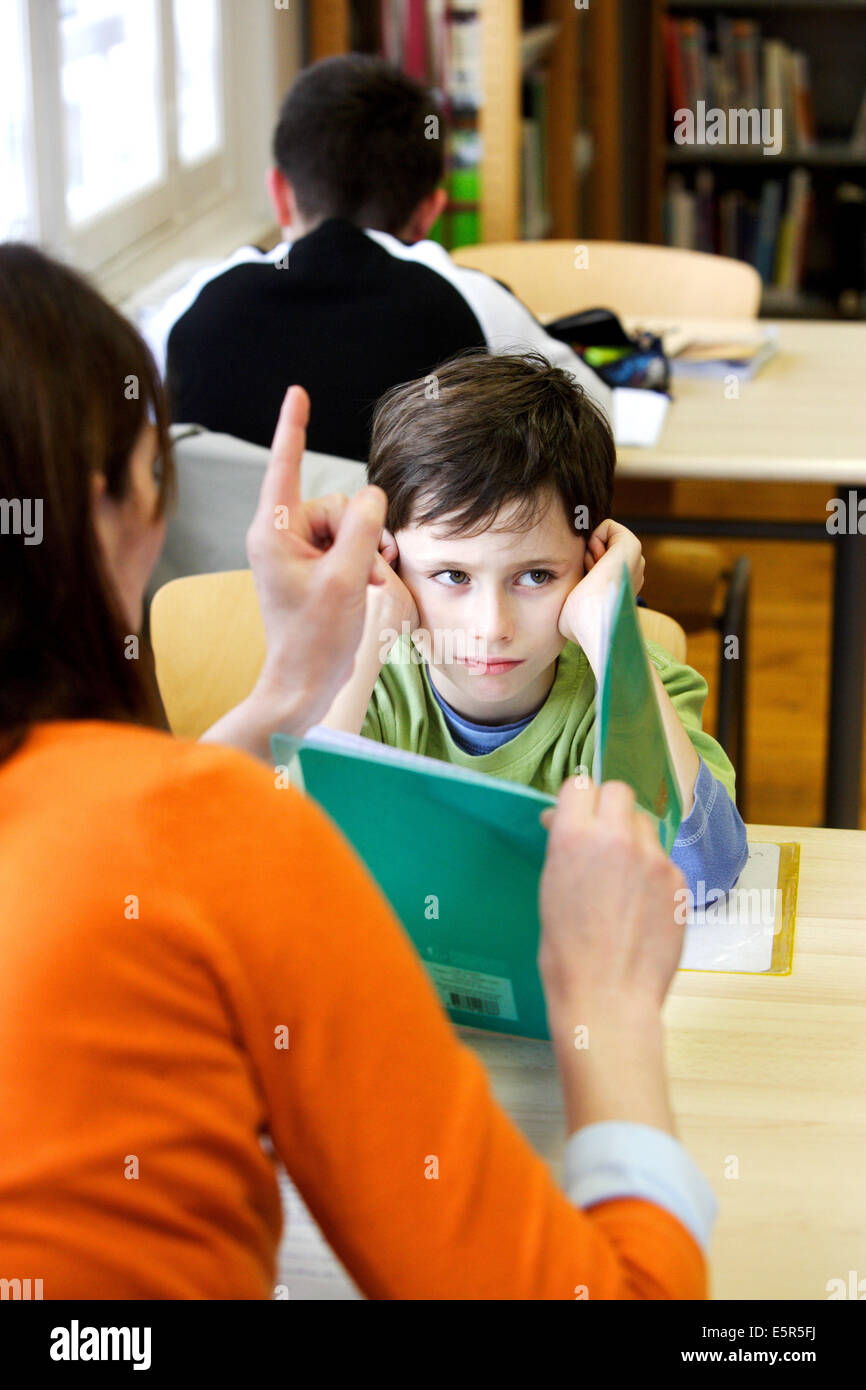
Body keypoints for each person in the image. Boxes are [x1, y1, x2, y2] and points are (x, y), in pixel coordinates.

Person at [0, 243, 714, 1299]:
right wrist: (604, 1001)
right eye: (159, 473)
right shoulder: (206, 830)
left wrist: (292, 684)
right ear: (124, 507)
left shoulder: (173, 826)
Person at [324, 351, 748, 901]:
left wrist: (610, 629)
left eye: (536, 576)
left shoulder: (633, 686)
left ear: (591, 564)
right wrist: (368, 636)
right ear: (388, 559)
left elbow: (701, 873)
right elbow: (283, 860)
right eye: (452, 574)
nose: (492, 627)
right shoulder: (366, 682)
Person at [144, 54, 611, 462]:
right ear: (429, 211)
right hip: (402, 565)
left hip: (224, 566)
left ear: (280, 194)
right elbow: (597, 419)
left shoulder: (184, 315)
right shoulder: (472, 304)